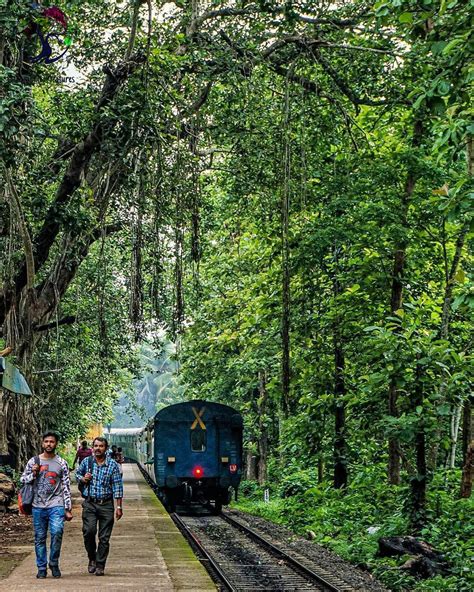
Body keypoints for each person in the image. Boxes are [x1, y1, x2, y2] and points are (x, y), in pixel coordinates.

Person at [20, 431, 73, 579]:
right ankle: (41, 567)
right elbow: (22, 480)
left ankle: (54, 563)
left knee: (57, 532)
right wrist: (33, 474)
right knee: (40, 537)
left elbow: (66, 487)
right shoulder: (33, 461)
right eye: (46, 441)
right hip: (37, 505)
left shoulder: (61, 463)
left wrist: (68, 508)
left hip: (56, 504)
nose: (49, 444)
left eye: (52, 442)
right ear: (42, 443)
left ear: (56, 444)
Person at [76, 437, 123, 576]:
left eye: (101, 446)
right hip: (90, 503)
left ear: (106, 448)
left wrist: (119, 507)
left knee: (104, 537)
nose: (98, 448)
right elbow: (77, 474)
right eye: (95, 446)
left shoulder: (113, 465)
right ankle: (92, 558)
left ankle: (100, 564)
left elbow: (117, 486)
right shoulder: (87, 462)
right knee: (89, 531)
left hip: (106, 504)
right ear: (92, 447)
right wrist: (83, 479)